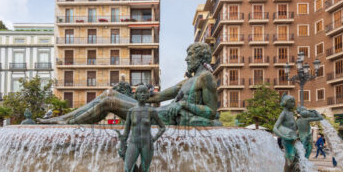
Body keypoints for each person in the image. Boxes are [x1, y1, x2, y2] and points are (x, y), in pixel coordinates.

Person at [38, 43, 221, 126]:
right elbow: (158, 97)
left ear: (200, 57)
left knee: (110, 102)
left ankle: (64, 124)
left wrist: (183, 104)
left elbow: (211, 112)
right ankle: (63, 119)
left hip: (163, 116)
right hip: (159, 111)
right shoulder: (187, 81)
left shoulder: (206, 78)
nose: (186, 59)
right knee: (110, 94)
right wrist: (141, 94)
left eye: (190, 55)